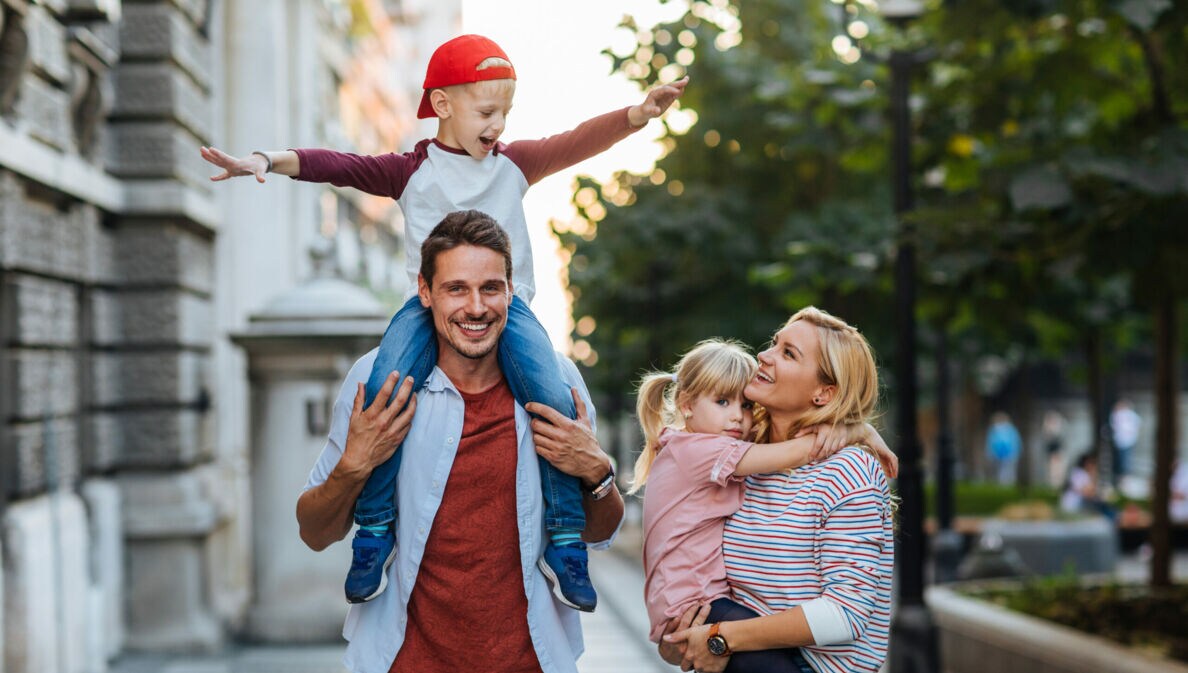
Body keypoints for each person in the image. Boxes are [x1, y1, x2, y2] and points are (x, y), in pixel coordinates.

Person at [202, 34, 687, 608]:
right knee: (385, 391)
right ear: (442, 106)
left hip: (516, 309)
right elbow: (339, 165)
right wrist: (267, 161)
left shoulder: (513, 165)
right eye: (487, 111)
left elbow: (574, 143)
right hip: (425, 312)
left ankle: (562, 540)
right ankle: (375, 532)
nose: (498, 124)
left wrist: (636, 115)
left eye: (506, 111)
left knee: (552, 400)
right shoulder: (413, 171)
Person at [295, 211, 624, 673]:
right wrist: (355, 464)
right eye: (456, 289)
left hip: (531, 660)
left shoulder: (556, 381)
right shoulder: (379, 383)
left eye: (491, 288)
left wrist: (596, 471)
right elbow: (314, 531)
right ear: (425, 292)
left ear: (511, 290)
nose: (475, 307)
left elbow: (601, 530)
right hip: (404, 661)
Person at [630, 338, 896, 673]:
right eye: (722, 402)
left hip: (709, 611)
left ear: (823, 392)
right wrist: (857, 429)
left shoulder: (730, 454)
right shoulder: (704, 452)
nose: (737, 418)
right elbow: (795, 453)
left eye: (743, 406)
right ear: (686, 405)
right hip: (699, 606)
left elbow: (847, 612)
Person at [1060, 452, 1113, 520]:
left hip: (1077, 504)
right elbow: (1088, 493)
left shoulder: (1083, 474)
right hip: (1073, 505)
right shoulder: (1079, 473)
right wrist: (1093, 475)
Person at [985, 412, 1021, 486]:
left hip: (1009, 454)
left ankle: (1009, 484)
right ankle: (1002, 484)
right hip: (998, 454)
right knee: (1000, 470)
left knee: (1008, 470)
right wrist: (990, 453)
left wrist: (1015, 452)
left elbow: (1015, 442)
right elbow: (990, 443)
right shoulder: (994, 430)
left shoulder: (1010, 429)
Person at [1110, 398, 1141, 484]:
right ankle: (1120, 479)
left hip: (1127, 442)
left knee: (1125, 462)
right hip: (1119, 442)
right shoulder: (1117, 414)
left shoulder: (1128, 415)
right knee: (1120, 462)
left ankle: (1124, 479)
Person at [1041, 409, 1066, 489]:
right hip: (1051, 451)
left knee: (1057, 469)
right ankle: (1052, 484)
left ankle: (1057, 484)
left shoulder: (1060, 426)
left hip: (1057, 451)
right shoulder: (1047, 428)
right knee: (1051, 469)